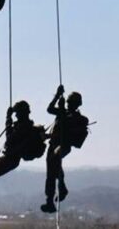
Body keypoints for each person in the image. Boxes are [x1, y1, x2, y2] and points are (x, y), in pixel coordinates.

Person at [41, 85, 89, 213]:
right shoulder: (63, 112)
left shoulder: (79, 119)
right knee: (50, 173)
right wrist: (57, 96)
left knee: (54, 160)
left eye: (70, 103)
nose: (68, 104)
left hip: (63, 145)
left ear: (76, 104)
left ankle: (61, 188)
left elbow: (66, 127)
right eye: (68, 102)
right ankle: (50, 201)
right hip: (53, 144)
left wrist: (61, 108)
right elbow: (49, 109)